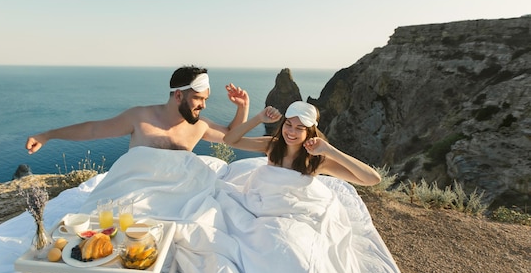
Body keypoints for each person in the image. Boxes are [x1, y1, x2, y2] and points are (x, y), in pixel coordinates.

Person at [26, 65, 250, 154]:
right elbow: (93, 130)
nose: (204, 105)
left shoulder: (200, 126)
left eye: (206, 99)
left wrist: (243, 108)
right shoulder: (140, 118)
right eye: (199, 99)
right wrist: (48, 135)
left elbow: (232, 138)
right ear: (179, 95)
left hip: (180, 199)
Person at [223, 100, 381, 186]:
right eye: (288, 125)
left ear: (309, 132)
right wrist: (258, 118)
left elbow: (372, 179)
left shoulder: (317, 161)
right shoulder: (272, 146)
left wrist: (330, 150)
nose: (291, 132)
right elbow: (229, 140)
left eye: (300, 128)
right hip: (262, 204)